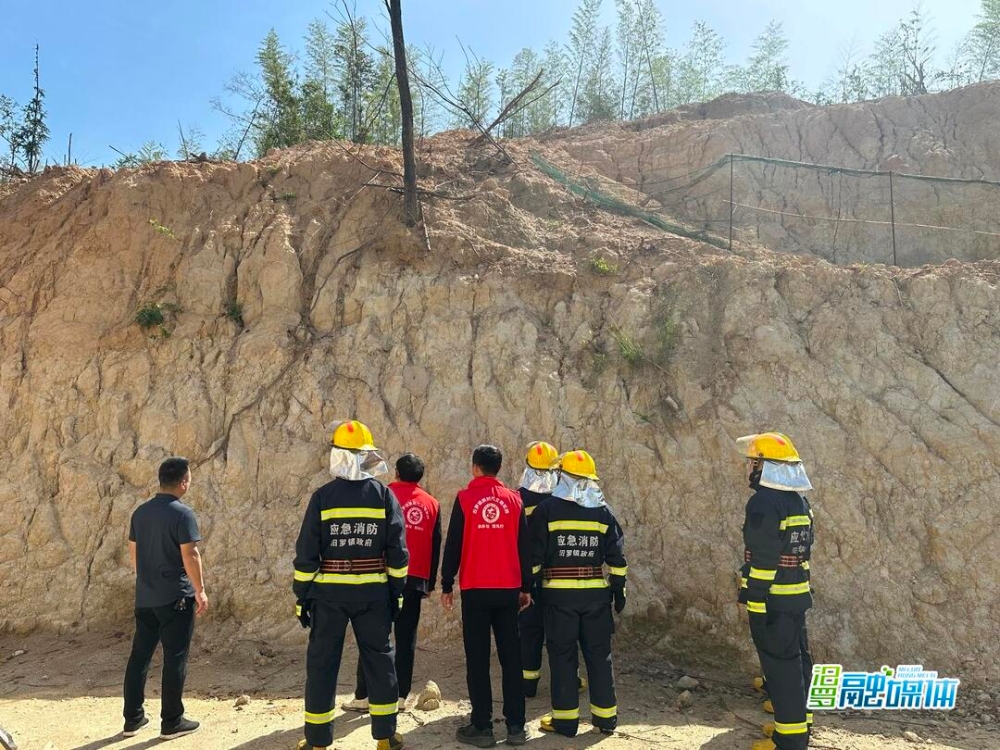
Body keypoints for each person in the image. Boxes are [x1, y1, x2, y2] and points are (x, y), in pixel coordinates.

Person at [293, 421, 408, 750]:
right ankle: (386, 737)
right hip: (373, 594)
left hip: (328, 596)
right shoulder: (383, 496)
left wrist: (302, 596)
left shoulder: (322, 497)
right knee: (380, 662)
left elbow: (307, 553)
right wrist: (396, 592)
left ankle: (317, 741)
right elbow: (398, 553)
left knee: (322, 664)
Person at [530, 450, 626, 738]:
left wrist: (531, 588)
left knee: (562, 657)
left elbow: (534, 558)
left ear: (562, 476)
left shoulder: (546, 510)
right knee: (599, 656)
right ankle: (606, 719)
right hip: (596, 596)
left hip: (559, 598)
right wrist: (619, 589)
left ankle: (566, 721)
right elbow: (617, 558)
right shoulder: (603, 512)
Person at [441, 445, 532, 748]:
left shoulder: (465, 499)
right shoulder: (515, 500)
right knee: (511, 658)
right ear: (498, 468)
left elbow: (454, 544)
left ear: (475, 467)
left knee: (478, 660)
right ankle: (516, 726)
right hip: (508, 590)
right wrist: (526, 587)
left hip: (475, 590)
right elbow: (524, 546)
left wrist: (446, 583)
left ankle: (482, 726)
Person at [344, 453, 441, 712]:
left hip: (381, 576)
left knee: (372, 636)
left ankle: (364, 695)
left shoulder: (382, 495)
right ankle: (400, 696)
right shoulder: (431, 503)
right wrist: (429, 583)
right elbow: (435, 544)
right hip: (415, 579)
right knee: (406, 639)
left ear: (396, 472)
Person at [736, 432, 815, 750]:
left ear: (767, 466)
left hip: (773, 598)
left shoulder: (765, 502)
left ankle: (789, 739)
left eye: (755, 463)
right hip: (796, 595)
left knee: (781, 668)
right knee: (799, 661)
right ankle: (801, 723)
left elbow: (764, 558)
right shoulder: (799, 501)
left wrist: (754, 597)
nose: (751, 468)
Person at [122, 457, 207, 741]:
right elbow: (190, 554)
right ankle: (171, 721)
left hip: (145, 597)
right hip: (175, 598)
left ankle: (133, 718)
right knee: (175, 658)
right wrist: (200, 590)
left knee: (140, 656)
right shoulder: (183, 514)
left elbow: (134, 554)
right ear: (183, 482)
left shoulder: (140, 513)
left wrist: (147, 581)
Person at [516, 441, 561, 698]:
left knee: (529, 630)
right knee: (561, 632)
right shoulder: (563, 499)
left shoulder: (517, 498)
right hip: (557, 577)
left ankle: (528, 684)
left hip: (527, 577)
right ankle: (566, 681)